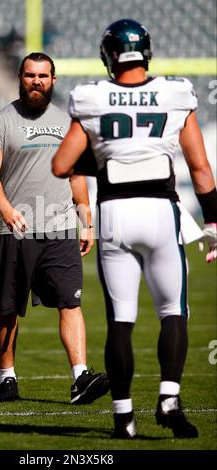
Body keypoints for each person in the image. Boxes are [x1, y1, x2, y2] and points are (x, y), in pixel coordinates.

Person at [52, 19, 217, 438]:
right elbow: (200, 168)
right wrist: (214, 220)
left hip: (115, 216)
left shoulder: (91, 97)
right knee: (173, 311)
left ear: (107, 55)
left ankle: (123, 418)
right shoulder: (175, 93)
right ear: (147, 52)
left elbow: (61, 164)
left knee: (120, 320)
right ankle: (168, 398)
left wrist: (108, 157)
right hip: (162, 212)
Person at [0, 52, 109, 405]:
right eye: (30, 75)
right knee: (7, 308)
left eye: (43, 76)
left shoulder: (69, 122)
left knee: (70, 302)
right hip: (15, 230)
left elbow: (76, 174)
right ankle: (8, 377)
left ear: (54, 79)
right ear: (20, 77)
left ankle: (80, 377)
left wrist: (86, 221)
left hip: (60, 229)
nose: (37, 81)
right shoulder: (0, 122)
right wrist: (5, 209)